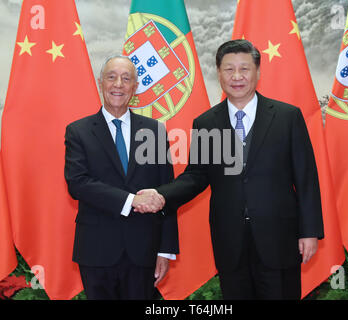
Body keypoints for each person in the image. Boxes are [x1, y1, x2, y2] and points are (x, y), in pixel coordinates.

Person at [135, 40, 324, 300]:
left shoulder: (287, 116)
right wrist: (161, 194)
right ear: (219, 73)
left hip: (279, 238)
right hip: (230, 241)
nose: (237, 77)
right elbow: (196, 176)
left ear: (257, 72)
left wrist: (309, 231)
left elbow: (306, 178)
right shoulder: (207, 122)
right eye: (229, 70)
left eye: (244, 69)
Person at [64, 55, 178, 300]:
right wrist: (130, 201)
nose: (118, 84)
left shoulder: (154, 131)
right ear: (100, 82)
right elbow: (78, 183)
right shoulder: (78, 131)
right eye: (111, 77)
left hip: (144, 250)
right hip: (96, 250)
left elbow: (166, 191)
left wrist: (166, 250)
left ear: (135, 87)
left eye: (126, 79)